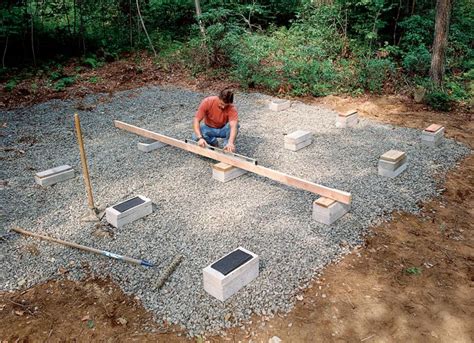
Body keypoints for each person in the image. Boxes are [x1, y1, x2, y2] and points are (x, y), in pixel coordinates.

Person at [192, 89, 239, 153]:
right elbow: (196, 120)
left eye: (226, 105)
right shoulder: (207, 102)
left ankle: (227, 147)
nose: (223, 107)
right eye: (221, 104)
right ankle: (213, 142)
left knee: (236, 125)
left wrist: (230, 142)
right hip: (209, 128)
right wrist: (200, 138)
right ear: (218, 98)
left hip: (223, 129)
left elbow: (233, 126)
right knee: (195, 136)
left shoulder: (232, 108)